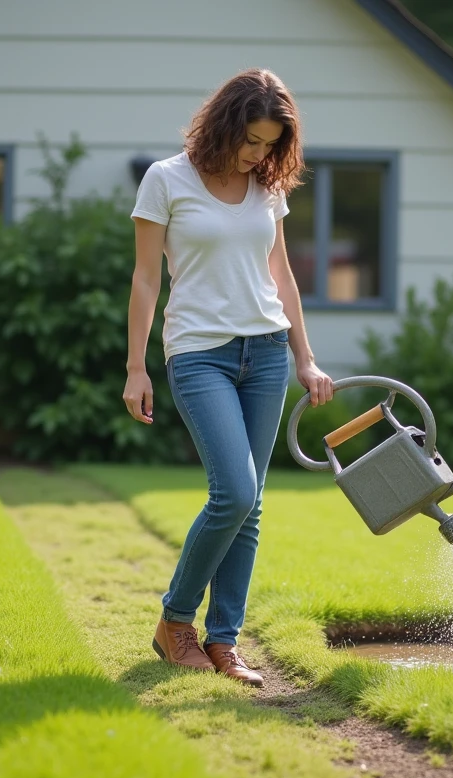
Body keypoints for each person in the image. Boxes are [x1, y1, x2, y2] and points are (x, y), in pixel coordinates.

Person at [124, 68, 334, 686]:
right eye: (250, 139)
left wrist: (305, 356)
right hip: (199, 354)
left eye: (269, 144)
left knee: (253, 505)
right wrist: (136, 367)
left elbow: (282, 274)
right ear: (224, 123)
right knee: (234, 494)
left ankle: (224, 643)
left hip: (266, 351)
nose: (257, 153)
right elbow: (144, 279)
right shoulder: (166, 180)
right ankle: (175, 623)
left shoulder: (267, 189)